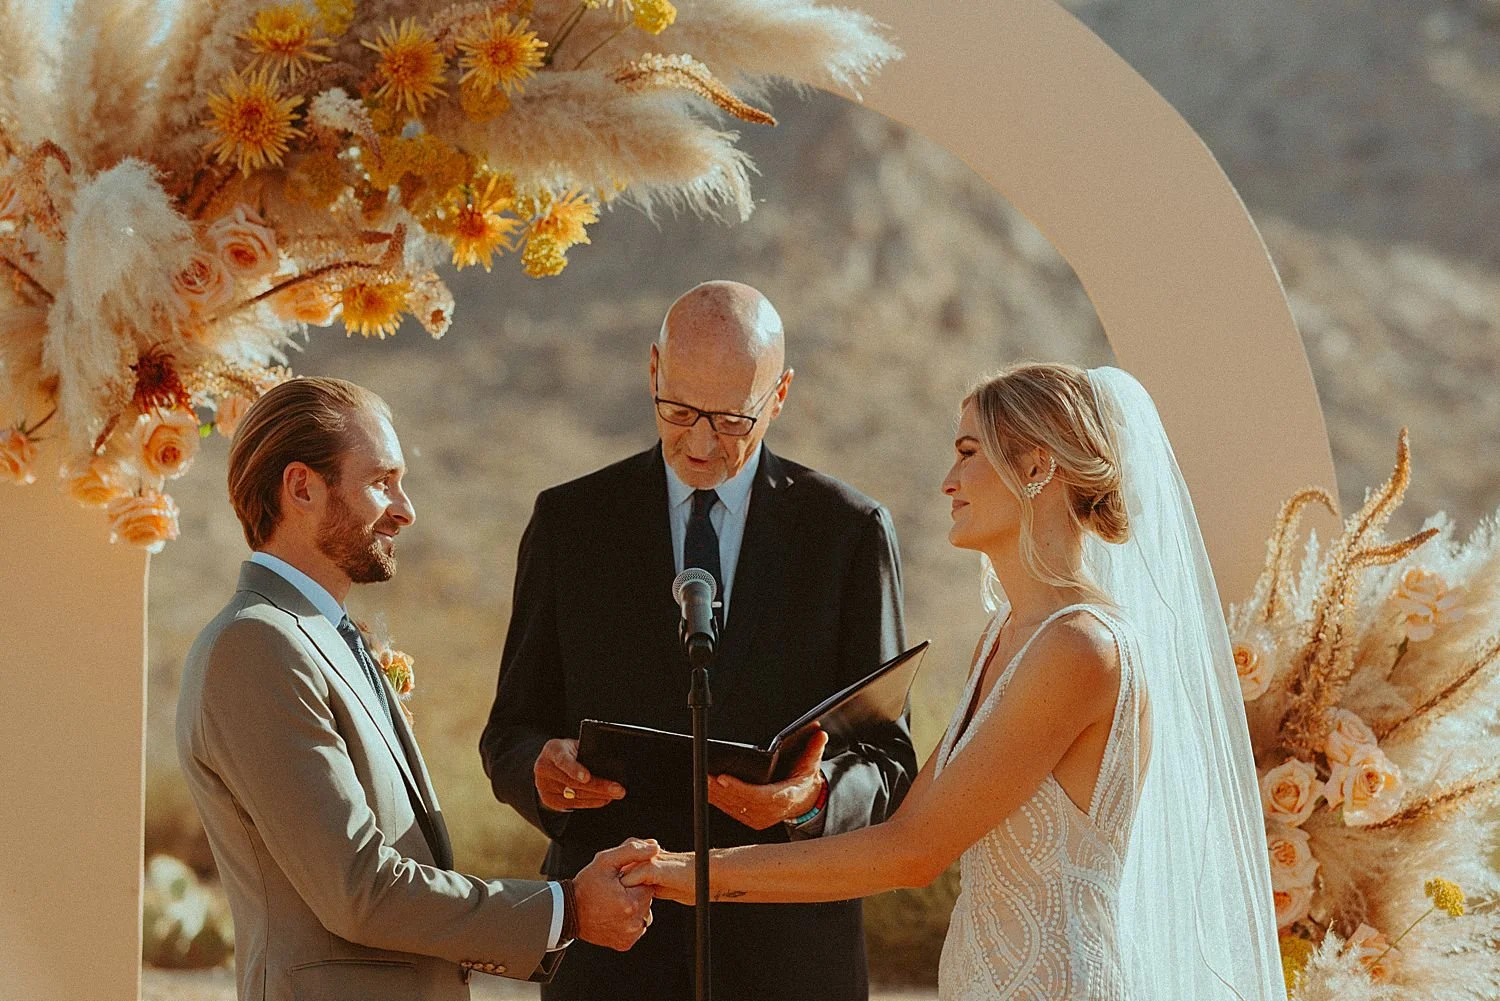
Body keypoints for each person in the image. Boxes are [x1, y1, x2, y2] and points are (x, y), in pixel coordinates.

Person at [625, 364, 1289, 1000]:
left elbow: (912, 852)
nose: (948, 480)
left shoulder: (1079, 648)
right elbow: (917, 815)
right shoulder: (1008, 635)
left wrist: (690, 875)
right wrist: (803, 798)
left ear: (1037, 466)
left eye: (969, 451)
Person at [480, 281, 918, 1000]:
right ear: (652, 370)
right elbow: (510, 731)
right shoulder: (570, 522)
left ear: (779, 396)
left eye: (732, 418)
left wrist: (807, 798)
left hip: (790, 960)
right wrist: (541, 769)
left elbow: (889, 761)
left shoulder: (848, 533)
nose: (702, 442)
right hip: (610, 957)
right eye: (678, 410)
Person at [176, 378, 656, 1001]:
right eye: (381, 481)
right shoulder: (257, 647)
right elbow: (360, 890)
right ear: (301, 487)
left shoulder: (317, 636)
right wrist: (564, 909)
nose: (405, 509)